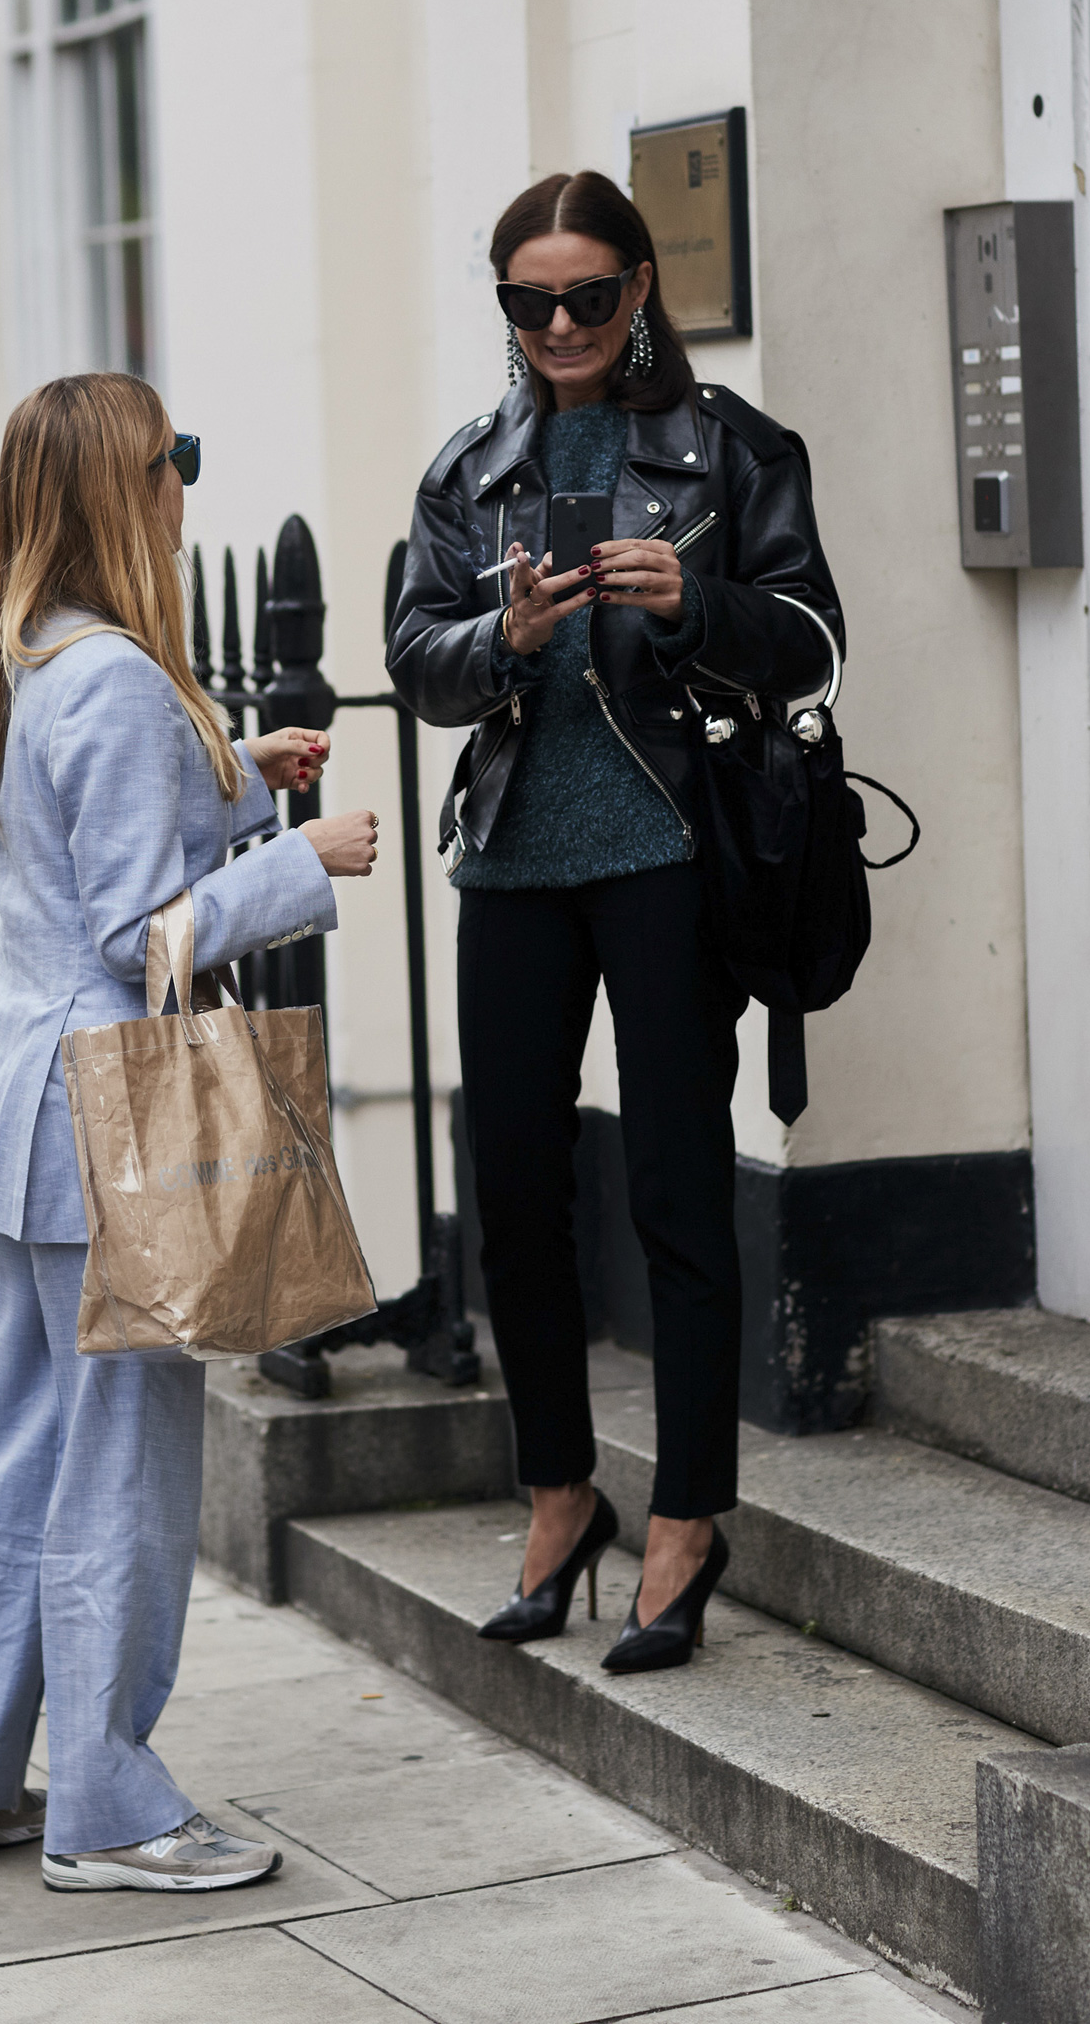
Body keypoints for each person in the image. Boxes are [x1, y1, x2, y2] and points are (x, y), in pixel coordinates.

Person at [0, 372, 378, 1890]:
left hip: (27, 1107)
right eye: (176, 457)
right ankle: (109, 1810)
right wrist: (299, 861)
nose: (187, 481)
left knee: (23, 1447)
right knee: (119, 1466)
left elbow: (81, 854)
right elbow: (132, 936)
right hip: (104, 1119)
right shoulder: (111, 676)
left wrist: (236, 780)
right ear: (125, 488)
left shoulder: (26, 653)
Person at [387, 171, 841, 1672]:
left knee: (674, 1187)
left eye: (588, 294)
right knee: (517, 1193)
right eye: (531, 300)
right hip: (515, 858)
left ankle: (688, 1520)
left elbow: (814, 640)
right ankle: (560, 1495)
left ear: (641, 289)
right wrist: (504, 638)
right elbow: (417, 658)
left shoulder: (736, 451)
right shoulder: (470, 469)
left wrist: (692, 605)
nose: (562, 324)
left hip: (666, 851)